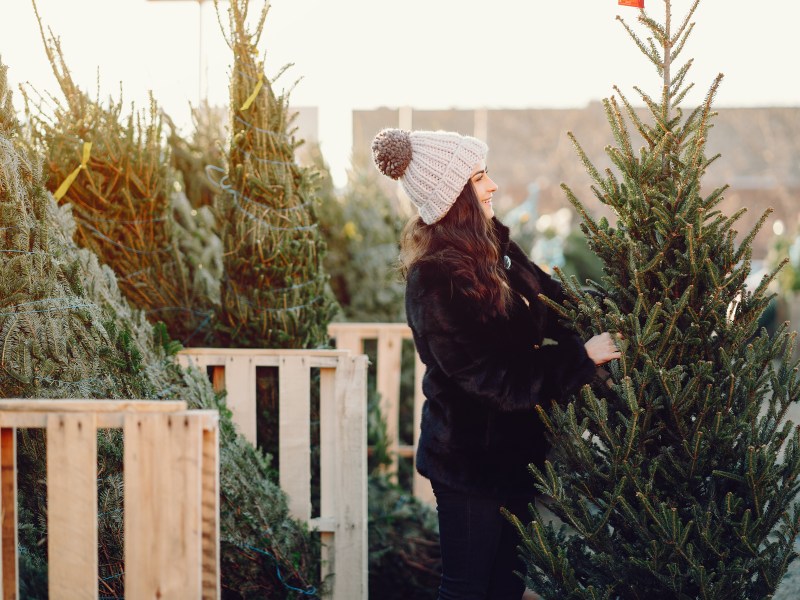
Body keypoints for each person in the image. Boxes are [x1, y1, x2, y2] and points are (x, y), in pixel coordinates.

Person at [371, 128, 621, 600]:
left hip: (517, 456)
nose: (493, 187)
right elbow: (493, 379)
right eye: (480, 177)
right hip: (469, 463)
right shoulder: (434, 279)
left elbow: (554, 298)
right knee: (467, 589)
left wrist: (610, 314)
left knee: (507, 586)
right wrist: (580, 359)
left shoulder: (495, 250)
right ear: (455, 194)